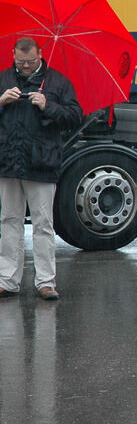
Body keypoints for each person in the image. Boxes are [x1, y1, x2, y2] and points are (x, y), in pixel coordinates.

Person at [0, 37, 83, 301]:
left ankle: (46, 282)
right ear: (13, 55)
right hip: (8, 162)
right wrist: (1, 101)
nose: (25, 66)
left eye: (30, 61)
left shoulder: (58, 82)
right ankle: (7, 280)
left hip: (42, 162)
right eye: (21, 61)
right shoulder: (3, 79)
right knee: (9, 221)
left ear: (41, 55)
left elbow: (75, 117)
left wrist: (49, 105)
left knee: (43, 224)